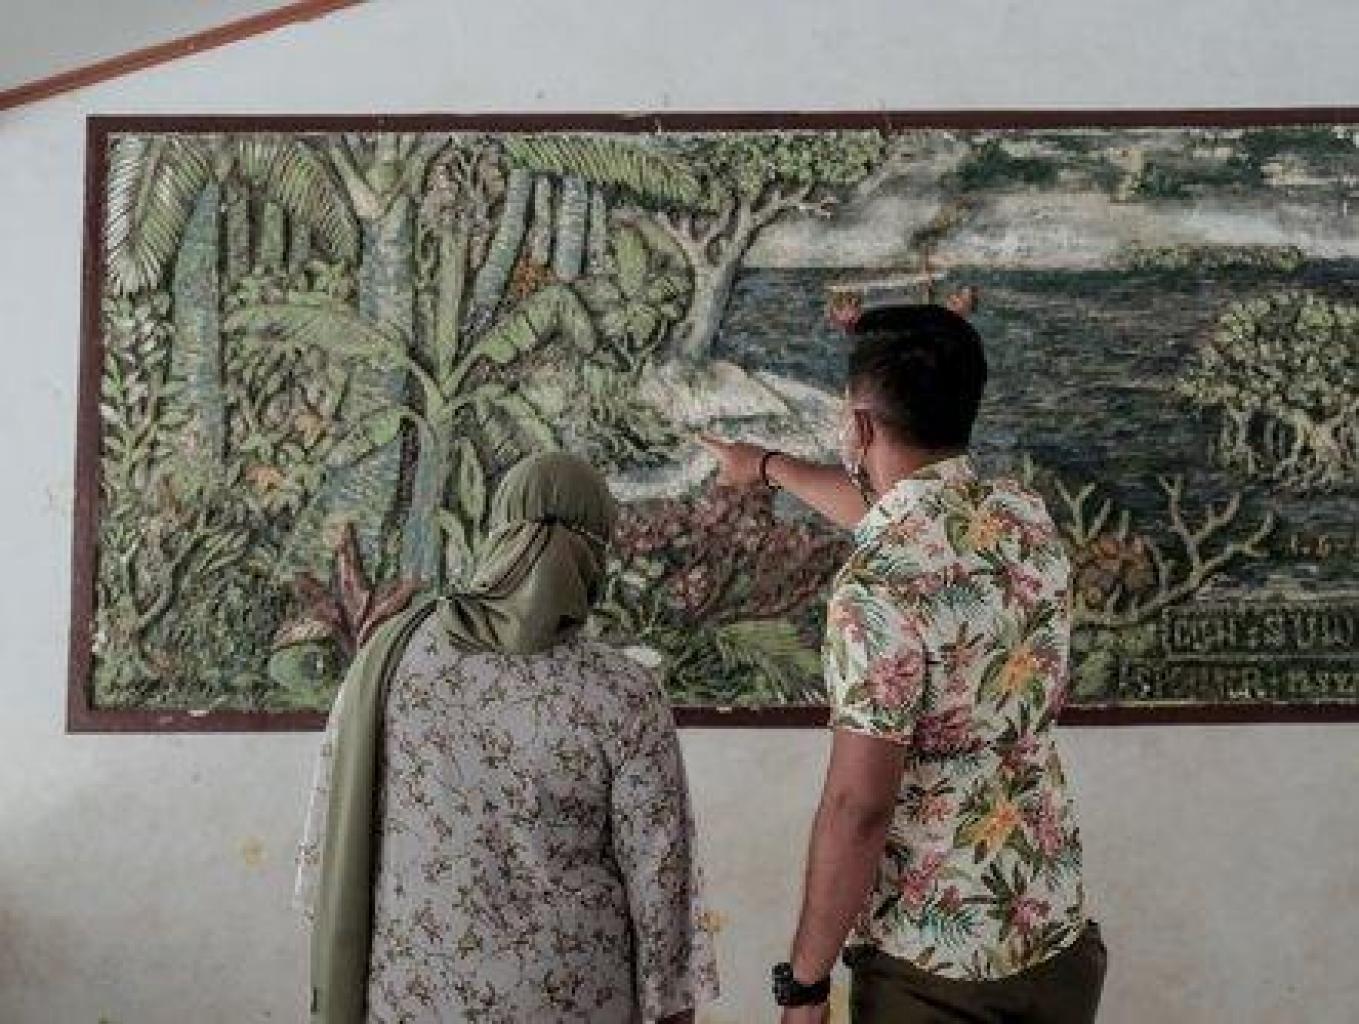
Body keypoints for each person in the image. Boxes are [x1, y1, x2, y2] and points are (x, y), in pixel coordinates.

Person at [703, 304, 1105, 1024]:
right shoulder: (1022, 517)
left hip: (933, 968)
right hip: (1055, 937)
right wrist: (767, 467)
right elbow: (907, 518)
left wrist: (805, 986)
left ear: (859, 428)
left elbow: (857, 808)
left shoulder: (876, 589)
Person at [295, 452, 718, 1024]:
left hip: (412, 997)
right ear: (598, 551)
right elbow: (661, 885)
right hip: (574, 1001)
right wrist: (672, 1011)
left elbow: (328, 839)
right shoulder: (623, 692)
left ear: (497, 532)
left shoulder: (390, 658)